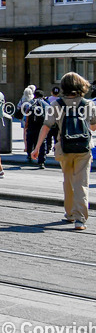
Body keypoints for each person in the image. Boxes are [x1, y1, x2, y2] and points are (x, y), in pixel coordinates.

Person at [32, 72, 96, 231]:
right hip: (84, 148)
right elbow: (93, 127)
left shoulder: (56, 105)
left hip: (64, 147)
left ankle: (70, 214)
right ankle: (80, 220)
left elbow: (46, 126)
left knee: (68, 181)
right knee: (82, 183)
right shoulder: (88, 104)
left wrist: (37, 147)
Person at [24, 89, 48, 168]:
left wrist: (26, 125)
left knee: (30, 140)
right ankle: (41, 162)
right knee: (42, 142)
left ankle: (29, 155)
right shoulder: (46, 104)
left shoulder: (30, 103)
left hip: (31, 125)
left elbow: (26, 113)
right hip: (41, 126)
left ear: (35, 95)